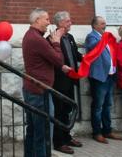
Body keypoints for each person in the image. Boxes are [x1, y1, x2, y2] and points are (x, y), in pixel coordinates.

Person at [22, 8, 70, 157]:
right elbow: (57, 59)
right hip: (39, 92)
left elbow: (47, 59)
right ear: (37, 21)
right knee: (42, 132)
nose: (49, 23)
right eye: (47, 20)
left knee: (33, 130)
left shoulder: (33, 36)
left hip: (33, 89)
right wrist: (56, 42)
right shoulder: (36, 39)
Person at [84, 15, 122, 144]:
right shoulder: (92, 36)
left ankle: (107, 130)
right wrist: (106, 39)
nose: (104, 26)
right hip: (99, 77)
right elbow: (93, 46)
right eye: (102, 24)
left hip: (110, 76)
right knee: (98, 106)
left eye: (105, 24)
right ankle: (97, 132)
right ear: (95, 25)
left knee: (107, 105)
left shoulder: (104, 37)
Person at [51, 11, 83, 153]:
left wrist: (87, 58)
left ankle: (67, 137)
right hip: (59, 83)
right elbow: (52, 59)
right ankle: (58, 142)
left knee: (68, 110)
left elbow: (75, 55)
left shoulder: (70, 37)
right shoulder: (52, 38)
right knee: (59, 112)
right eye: (68, 21)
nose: (71, 23)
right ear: (60, 23)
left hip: (71, 81)